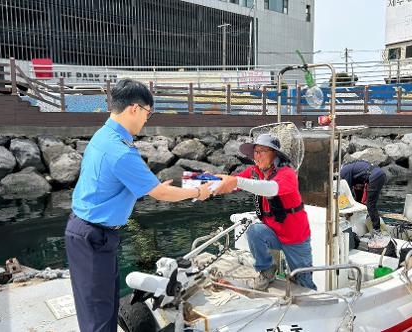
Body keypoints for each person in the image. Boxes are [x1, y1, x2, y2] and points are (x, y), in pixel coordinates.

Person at [64, 78, 212, 332]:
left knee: (104, 308)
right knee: (98, 320)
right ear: (135, 108)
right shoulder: (121, 150)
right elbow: (160, 195)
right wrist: (198, 192)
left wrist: (155, 188)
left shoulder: (104, 135)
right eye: (148, 113)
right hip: (93, 236)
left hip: (90, 232)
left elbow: (123, 185)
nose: (147, 120)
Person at [214, 133, 316, 291]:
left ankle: (314, 309)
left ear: (274, 154)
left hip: (295, 237)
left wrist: (236, 181)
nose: (257, 156)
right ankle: (266, 270)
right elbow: (230, 184)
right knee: (254, 231)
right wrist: (201, 184)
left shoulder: (287, 174)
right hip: (273, 232)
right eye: (256, 151)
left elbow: (271, 188)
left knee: (304, 282)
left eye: (262, 151)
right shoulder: (254, 172)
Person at [340, 160, 386, 234]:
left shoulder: (344, 171)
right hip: (380, 174)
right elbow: (357, 189)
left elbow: (347, 191)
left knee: (370, 204)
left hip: (374, 177)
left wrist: (347, 208)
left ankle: (377, 230)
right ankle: (371, 219)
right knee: (372, 203)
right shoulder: (352, 166)